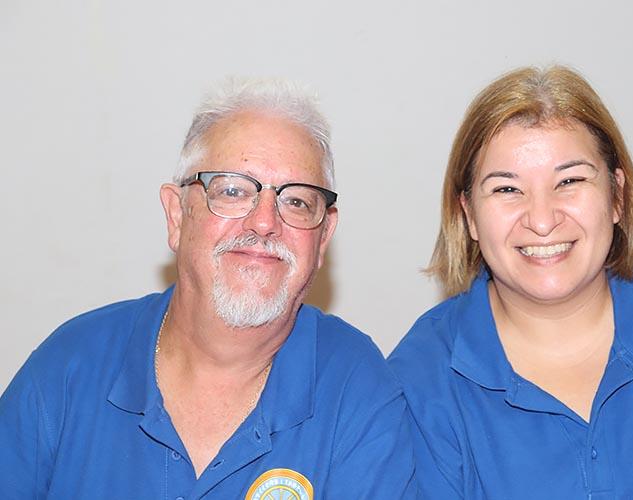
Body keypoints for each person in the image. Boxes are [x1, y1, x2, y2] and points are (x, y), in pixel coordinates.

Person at [0, 79, 416, 498]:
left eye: (297, 201)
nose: (264, 222)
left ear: (323, 238)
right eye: (233, 190)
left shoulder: (357, 390)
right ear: (177, 216)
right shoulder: (69, 366)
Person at [388, 66, 633, 498]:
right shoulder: (418, 382)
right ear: (469, 216)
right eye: (507, 190)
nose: (542, 220)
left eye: (570, 181)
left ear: (617, 196)